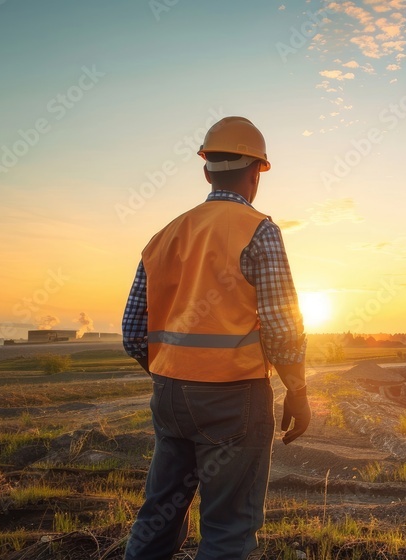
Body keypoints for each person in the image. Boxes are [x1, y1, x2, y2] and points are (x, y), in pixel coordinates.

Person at [121, 116, 311, 559]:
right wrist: (297, 390)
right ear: (255, 174)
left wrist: (174, 374)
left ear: (206, 170)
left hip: (168, 397)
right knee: (227, 530)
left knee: (159, 516)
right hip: (234, 401)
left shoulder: (163, 236)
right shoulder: (259, 230)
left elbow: (133, 334)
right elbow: (282, 329)